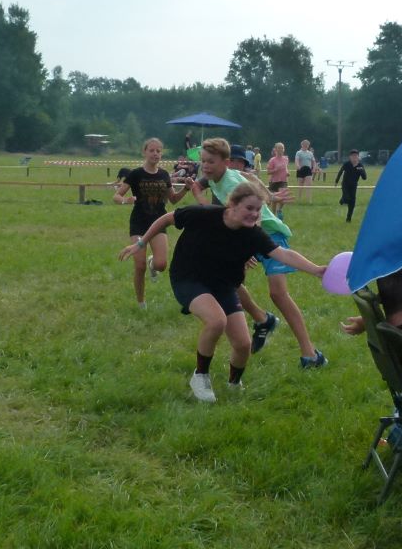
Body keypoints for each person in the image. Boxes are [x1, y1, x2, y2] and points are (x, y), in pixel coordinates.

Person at [118, 184, 326, 402]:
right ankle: (200, 376)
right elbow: (166, 219)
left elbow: (284, 254)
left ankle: (234, 384)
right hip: (188, 278)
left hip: (224, 285)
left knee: (243, 344)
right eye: (249, 208)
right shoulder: (203, 214)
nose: (254, 214)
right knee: (216, 321)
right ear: (232, 205)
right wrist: (141, 243)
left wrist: (316, 270)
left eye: (258, 210)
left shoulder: (253, 234)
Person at [190, 138, 329, 369]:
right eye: (203, 161)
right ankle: (262, 320)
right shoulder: (216, 175)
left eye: (210, 162)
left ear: (225, 163)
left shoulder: (230, 182)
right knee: (226, 280)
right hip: (247, 233)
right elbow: (249, 177)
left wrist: (247, 246)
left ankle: (310, 355)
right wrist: (270, 196)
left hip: (268, 233)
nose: (205, 166)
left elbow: (244, 218)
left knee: (278, 294)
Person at [114, 137, 186, 308]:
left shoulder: (164, 175)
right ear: (144, 152)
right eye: (151, 150)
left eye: (158, 151)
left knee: (161, 265)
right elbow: (116, 195)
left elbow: (173, 199)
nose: (155, 154)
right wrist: (125, 200)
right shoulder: (135, 174)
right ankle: (141, 302)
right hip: (139, 223)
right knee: (139, 266)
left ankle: (152, 262)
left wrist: (187, 188)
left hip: (159, 222)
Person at [334, 149, 367, 222]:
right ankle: (342, 200)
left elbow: (364, 178)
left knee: (352, 202)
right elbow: (340, 172)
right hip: (345, 184)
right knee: (346, 198)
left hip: (354, 186)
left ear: (358, 157)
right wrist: (336, 181)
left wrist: (360, 170)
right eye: (353, 156)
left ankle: (348, 218)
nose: (354, 157)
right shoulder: (347, 164)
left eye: (356, 156)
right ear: (350, 157)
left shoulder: (360, 166)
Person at [294, 139, 317, 203]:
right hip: (301, 169)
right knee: (300, 185)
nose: (306, 145)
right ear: (302, 145)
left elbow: (314, 162)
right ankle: (299, 199)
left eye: (307, 144)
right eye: (305, 144)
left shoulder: (310, 153)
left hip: (308, 170)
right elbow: (296, 160)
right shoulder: (298, 152)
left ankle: (309, 200)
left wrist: (314, 168)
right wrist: (297, 166)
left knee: (309, 185)